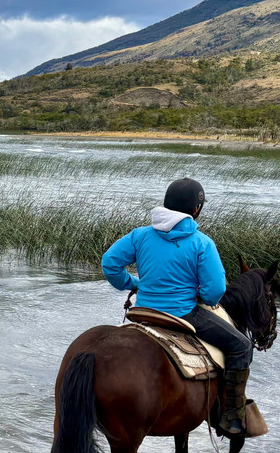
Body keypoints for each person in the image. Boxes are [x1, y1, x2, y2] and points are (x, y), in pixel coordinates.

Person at [101, 178, 253, 435]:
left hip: (144, 312)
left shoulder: (140, 235)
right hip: (184, 314)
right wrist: (202, 297)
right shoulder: (202, 243)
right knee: (242, 346)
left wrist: (133, 283)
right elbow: (215, 291)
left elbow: (109, 264)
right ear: (196, 210)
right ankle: (232, 417)